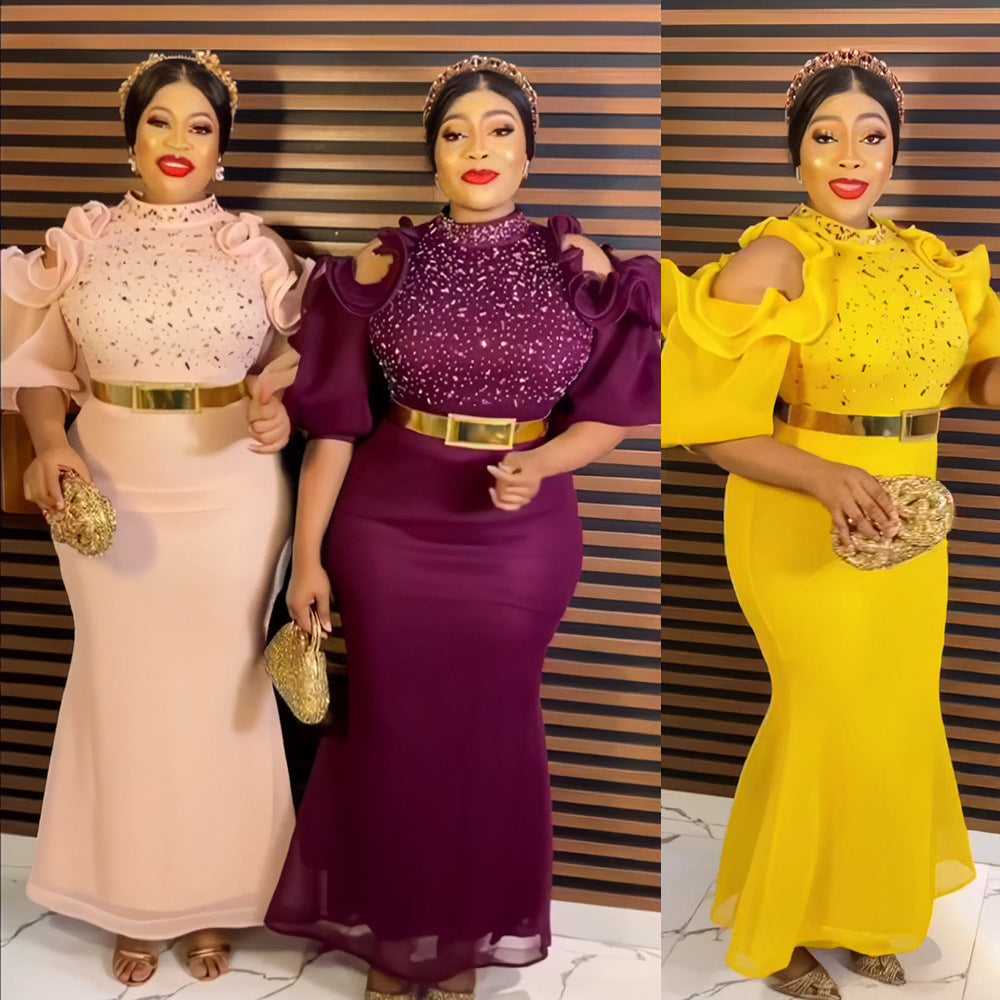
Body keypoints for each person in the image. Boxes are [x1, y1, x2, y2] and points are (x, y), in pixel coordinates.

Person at [263, 55, 660, 1000]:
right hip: (389, 520)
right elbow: (333, 425)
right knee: (391, 731)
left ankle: (470, 932)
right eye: (454, 133)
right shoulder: (380, 267)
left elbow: (613, 407)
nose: (476, 149)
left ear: (528, 155)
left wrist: (547, 462)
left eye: (498, 132)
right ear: (432, 160)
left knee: (492, 732)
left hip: (522, 528)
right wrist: (307, 557)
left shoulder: (582, 267)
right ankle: (397, 937)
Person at [661, 49, 1000, 999]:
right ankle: (780, 932)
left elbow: (974, 379)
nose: (850, 153)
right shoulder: (776, 258)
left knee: (890, 718)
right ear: (796, 152)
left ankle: (862, 907)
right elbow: (711, 427)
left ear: (895, 151)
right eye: (825, 134)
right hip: (798, 514)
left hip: (911, 524)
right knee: (820, 713)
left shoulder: (927, 260)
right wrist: (821, 472)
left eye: (872, 134)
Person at [1, 50, 311, 986]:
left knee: (224, 692)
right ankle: (130, 897)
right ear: (131, 135)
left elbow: (308, 354)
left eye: (200, 126)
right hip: (107, 481)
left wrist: (279, 397)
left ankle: (218, 898)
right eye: (160, 120)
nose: (179, 141)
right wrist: (51, 446)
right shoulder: (80, 242)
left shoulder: (255, 249)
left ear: (223, 149)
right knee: (121, 685)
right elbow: (39, 373)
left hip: (233, 489)